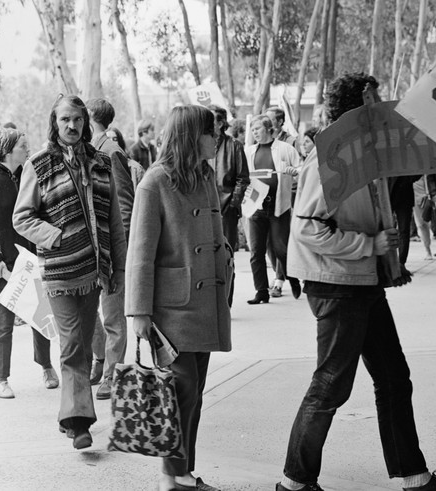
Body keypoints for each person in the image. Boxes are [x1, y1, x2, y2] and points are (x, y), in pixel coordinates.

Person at [277, 72, 436, 491]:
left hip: (361, 282)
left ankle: (415, 478)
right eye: (377, 96)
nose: (383, 103)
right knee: (330, 383)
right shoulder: (330, 154)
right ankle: (294, 483)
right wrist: (370, 243)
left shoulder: (362, 151)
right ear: (365, 98)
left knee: (393, 377)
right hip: (337, 284)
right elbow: (306, 229)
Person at [125, 105, 231, 491]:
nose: (217, 137)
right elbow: (140, 252)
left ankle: (179, 474)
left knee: (193, 394)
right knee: (181, 392)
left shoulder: (205, 175)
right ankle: (175, 477)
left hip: (205, 302)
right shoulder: (155, 182)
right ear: (191, 136)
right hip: (171, 308)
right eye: (211, 131)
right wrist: (138, 312)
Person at [13, 95, 127, 450]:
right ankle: (78, 423)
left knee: (80, 343)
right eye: (65, 120)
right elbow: (22, 218)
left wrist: (118, 268)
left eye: (77, 119)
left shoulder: (102, 162)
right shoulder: (39, 164)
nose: (72, 126)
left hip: (93, 274)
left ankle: (71, 416)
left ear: (85, 123)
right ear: (55, 122)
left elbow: (114, 222)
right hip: (61, 272)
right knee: (73, 345)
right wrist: (57, 236)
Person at [0, 128, 59, 399]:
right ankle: (1, 378)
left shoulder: (27, 176)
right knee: (4, 322)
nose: (28, 148)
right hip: (2, 265)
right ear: (9, 151)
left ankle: (45, 366)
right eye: (23, 145)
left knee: (39, 315)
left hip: (31, 260)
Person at [86, 98, 134, 400]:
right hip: (89, 249)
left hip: (112, 250)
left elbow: (125, 207)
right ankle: (100, 359)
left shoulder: (111, 152)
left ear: (91, 118)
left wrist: (119, 252)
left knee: (113, 315)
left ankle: (112, 375)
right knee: (91, 313)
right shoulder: (87, 150)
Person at [245, 114, 301, 304]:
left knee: (281, 249)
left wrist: (294, 172)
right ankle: (261, 291)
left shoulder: (285, 149)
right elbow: (244, 178)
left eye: (258, 129)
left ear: (269, 129)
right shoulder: (249, 151)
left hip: (278, 206)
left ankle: (292, 277)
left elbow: (301, 169)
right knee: (256, 252)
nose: (255, 133)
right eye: (252, 130)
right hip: (256, 207)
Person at [208, 105, 250, 307]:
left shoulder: (234, 146)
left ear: (221, 122)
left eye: (213, 119)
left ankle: (226, 303)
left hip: (227, 210)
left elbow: (243, 179)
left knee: (227, 257)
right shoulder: (201, 144)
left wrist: (232, 204)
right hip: (204, 210)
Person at [107, 126, 145, 191]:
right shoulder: (98, 168)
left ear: (120, 142)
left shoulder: (136, 169)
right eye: (108, 139)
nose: (111, 142)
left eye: (115, 139)